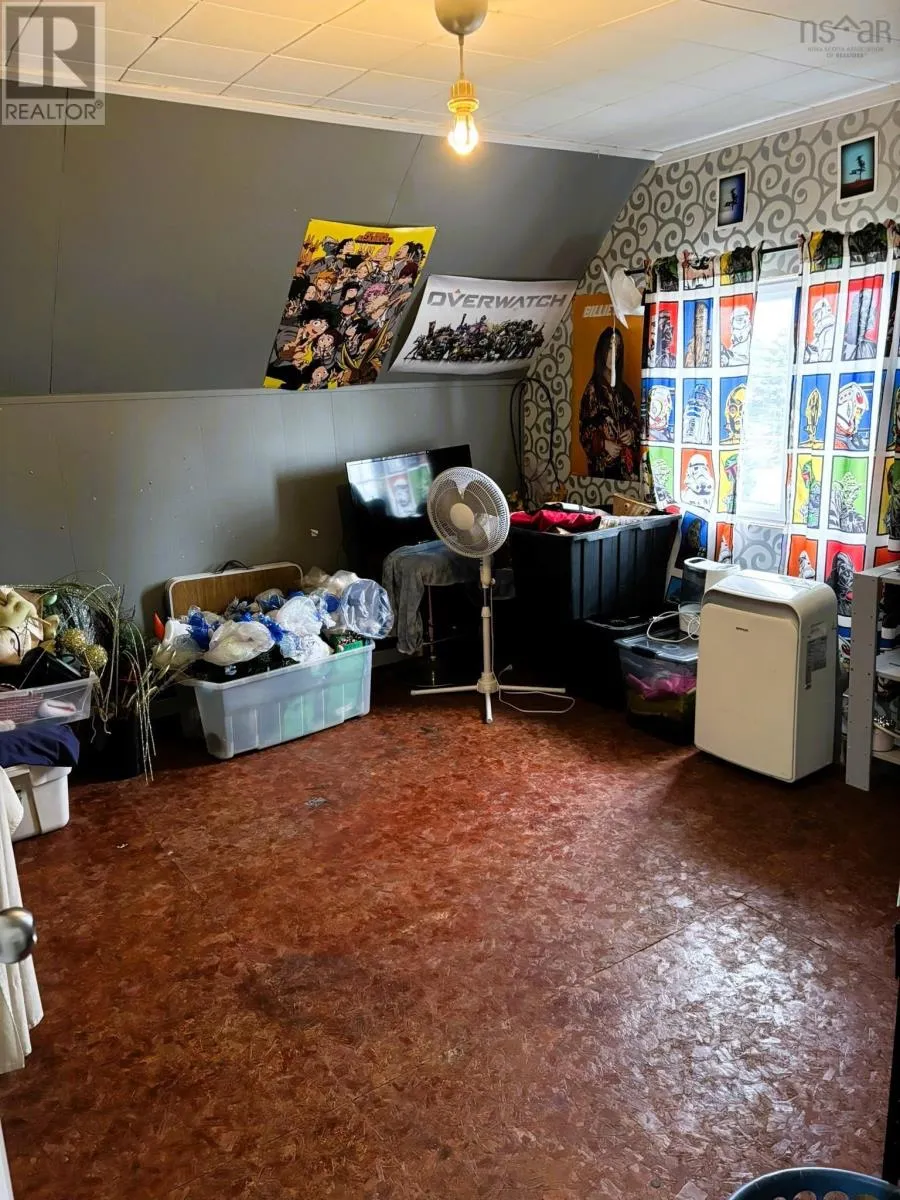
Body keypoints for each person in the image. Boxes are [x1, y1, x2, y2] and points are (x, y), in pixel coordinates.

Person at [578, 326, 641, 480]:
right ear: (602, 350)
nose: (614, 353)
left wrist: (632, 433)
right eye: (610, 348)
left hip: (627, 470)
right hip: (604, 472)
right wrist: (604, 444)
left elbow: (637, 422)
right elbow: (584, 430)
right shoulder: (592, 391)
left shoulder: (625, 392)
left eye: (618, 348)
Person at [684, 302, 711, 368]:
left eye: (701, 318)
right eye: (697, 319)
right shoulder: (690, 344)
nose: (698, 323)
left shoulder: (712, 342)